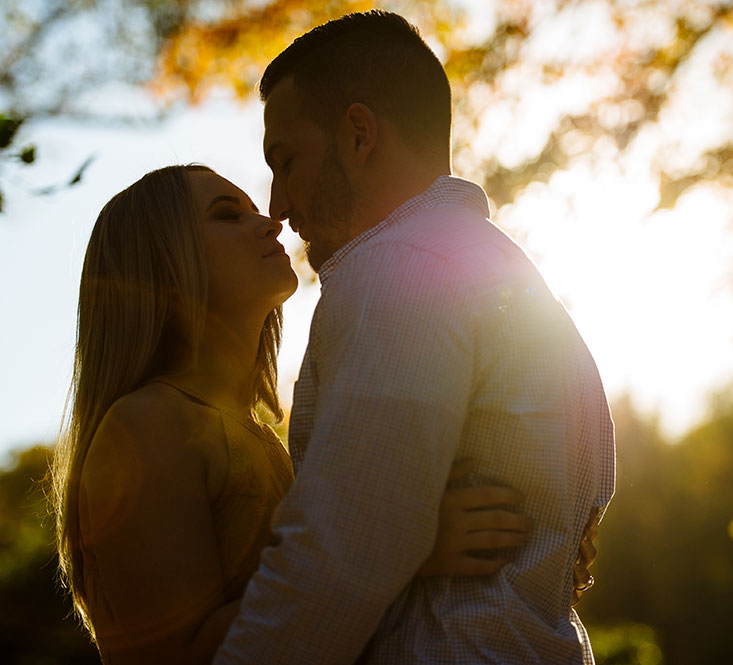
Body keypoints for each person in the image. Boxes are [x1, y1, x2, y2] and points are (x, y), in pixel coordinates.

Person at [213, 10, 616, 665]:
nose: (278, 204)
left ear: (359, 134)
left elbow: (336, 553)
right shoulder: (504, 272)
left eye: (285, 161)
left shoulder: (396, 269)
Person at [50, 164, 535, 664]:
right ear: (161, 264)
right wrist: (398, 551)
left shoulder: (262, 439)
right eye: (226, 216)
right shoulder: (148, 426)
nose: (268, 223)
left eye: (252, 211)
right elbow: (176, 656)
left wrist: (539, 534)